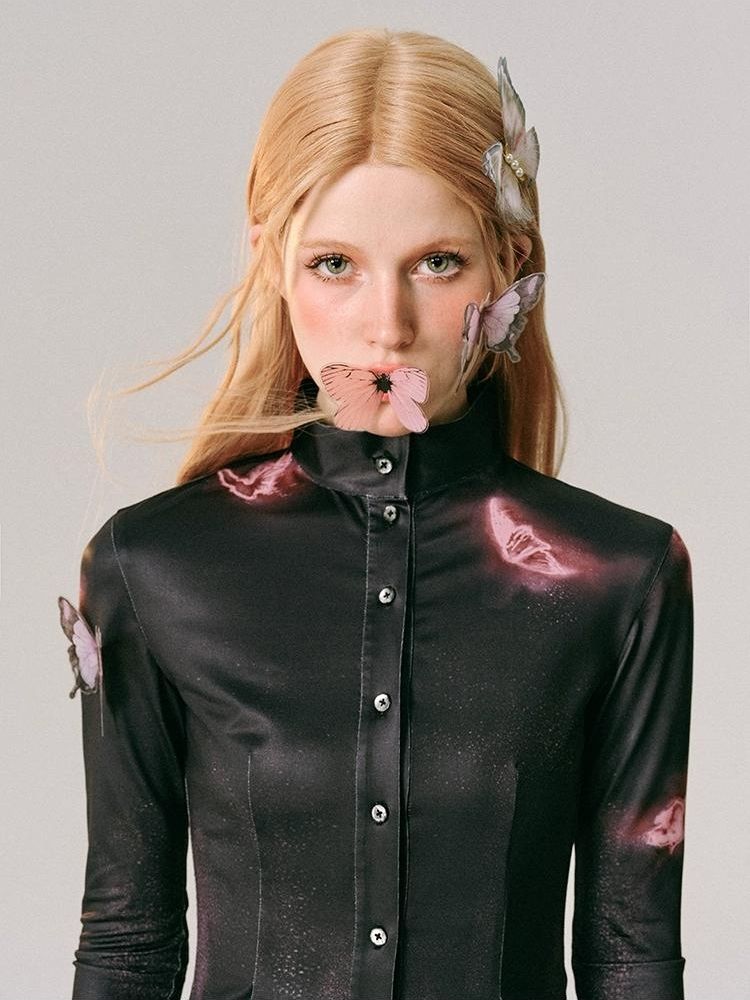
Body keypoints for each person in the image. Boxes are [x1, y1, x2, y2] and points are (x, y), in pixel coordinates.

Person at [58, 28, 693, 1000]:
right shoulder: (149, 569)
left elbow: (631, 954)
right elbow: (126, 942)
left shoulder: (621, 577)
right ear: (274, 262)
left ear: (508, 269)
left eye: (437, 262)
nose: (385, 325)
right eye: (334, 264)